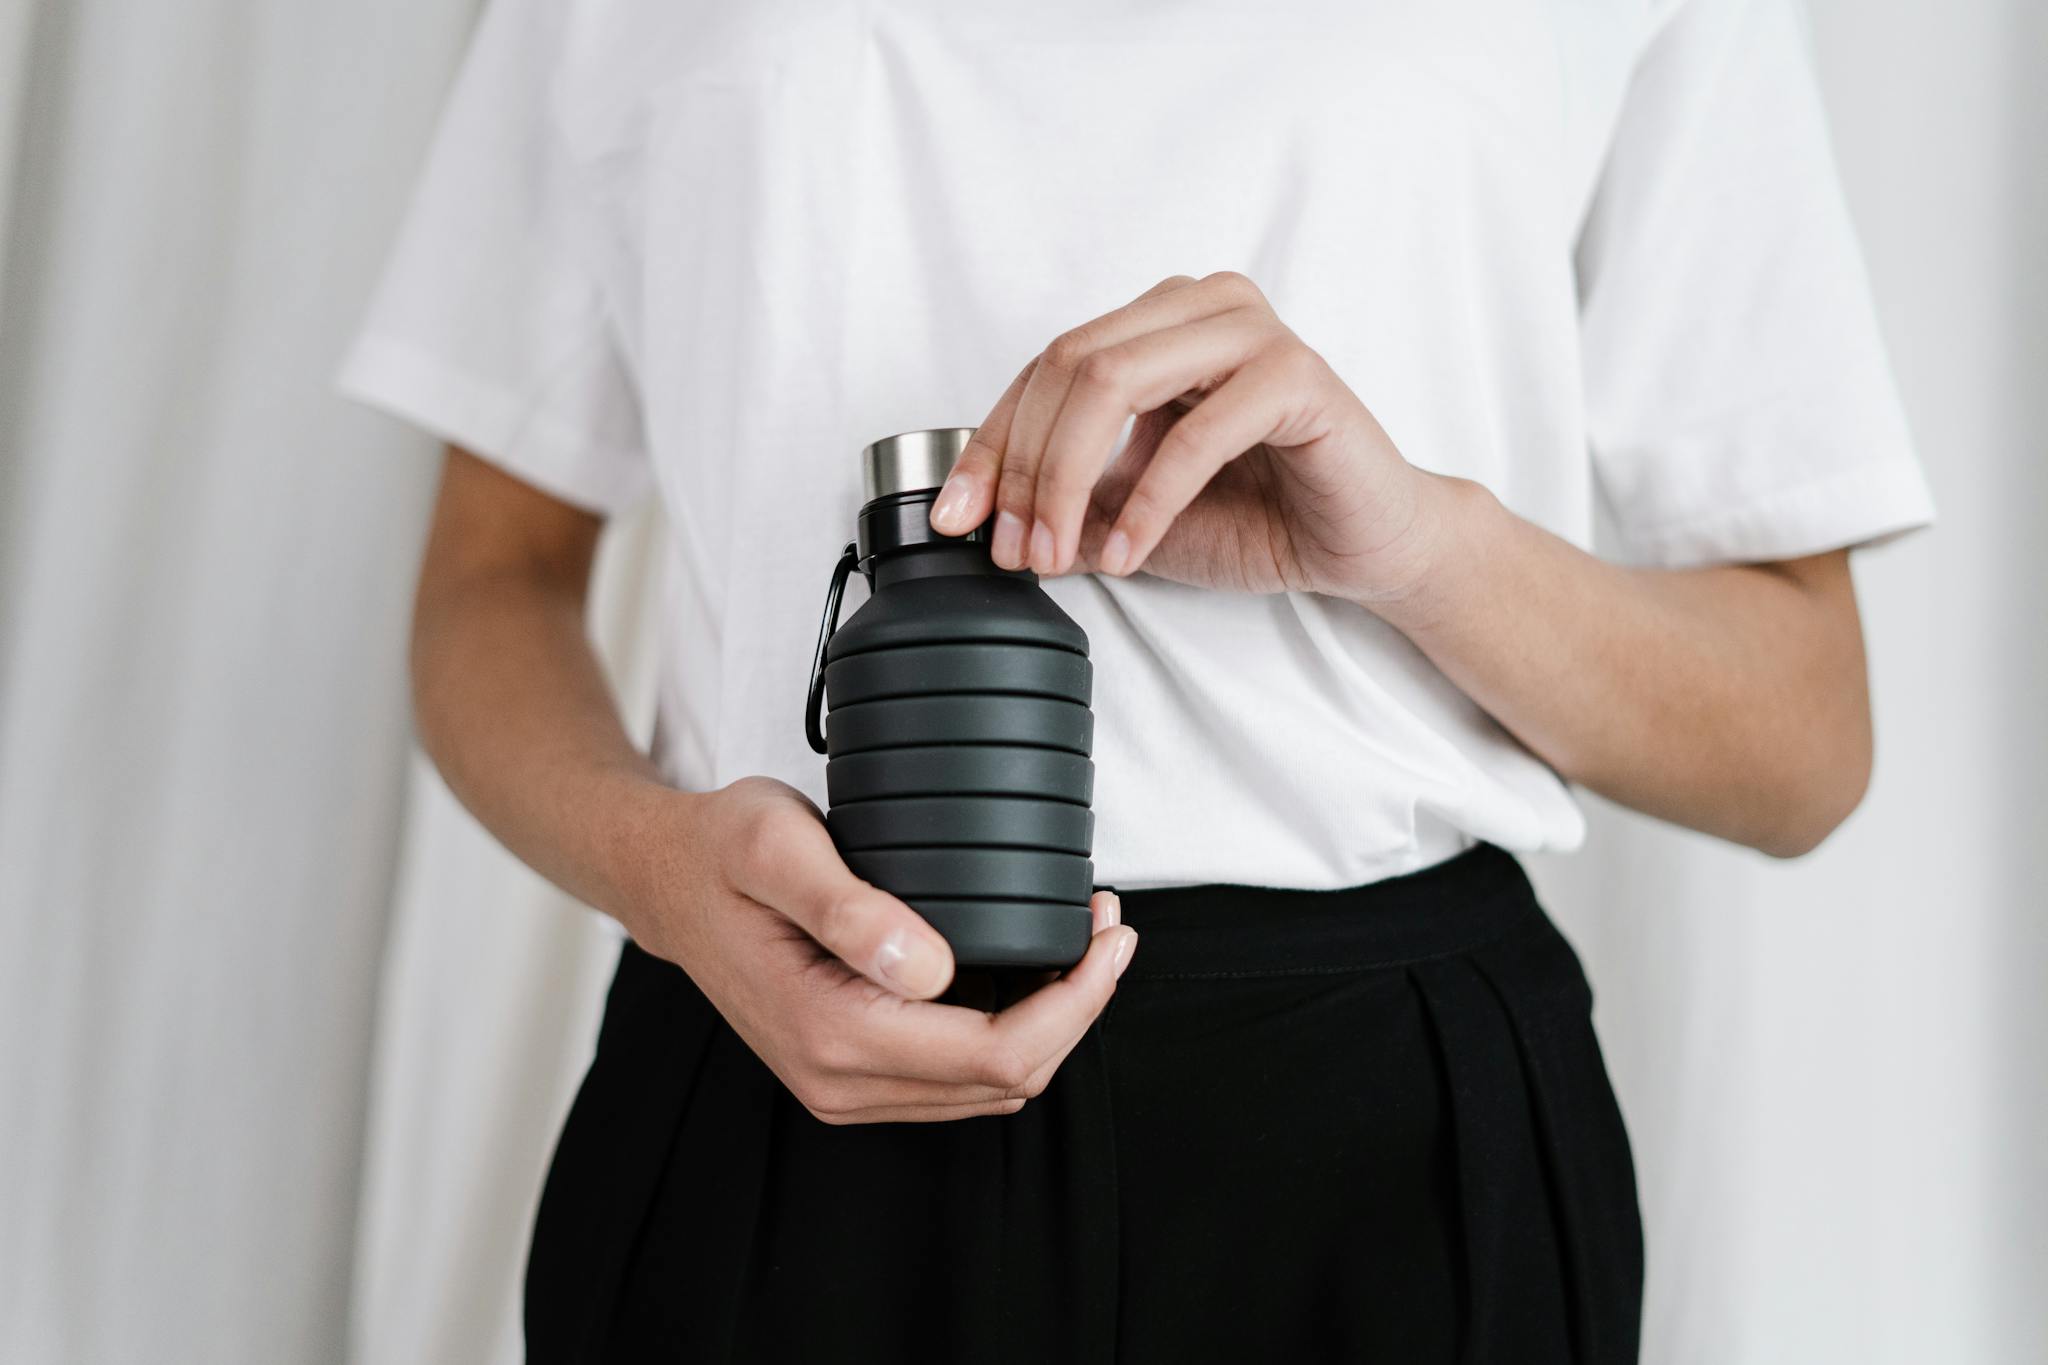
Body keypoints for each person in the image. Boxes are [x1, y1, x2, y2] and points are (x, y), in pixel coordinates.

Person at [339, 0, 1934, 1359]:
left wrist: (1417, 550)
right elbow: (494, 580)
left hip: (1385, 1136)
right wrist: (662, 876)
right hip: (770, 1053)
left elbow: (1804, 739)